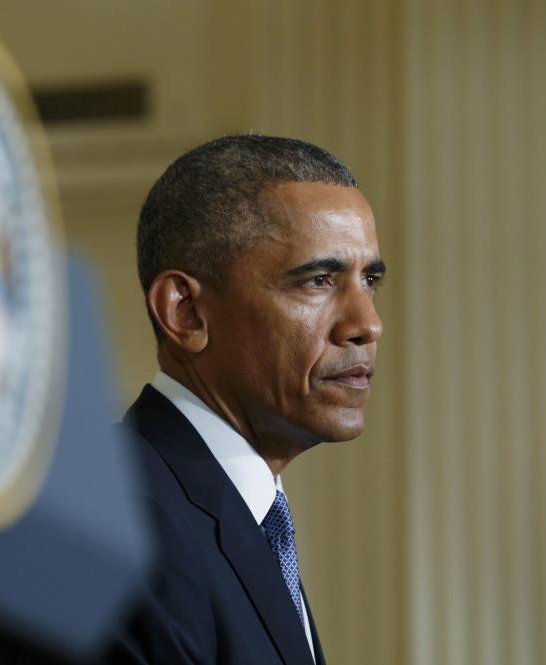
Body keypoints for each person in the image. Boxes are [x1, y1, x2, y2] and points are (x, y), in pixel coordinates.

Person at [106, 135, 384, 665]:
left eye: (369, 280)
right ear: (185, 312)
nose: (367, 324)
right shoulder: (129, 525)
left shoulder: (245, 513)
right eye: (319, 280)